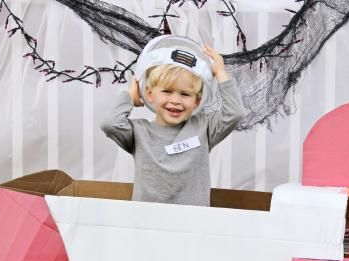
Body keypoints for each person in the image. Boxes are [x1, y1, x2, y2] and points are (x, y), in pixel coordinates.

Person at [100, 38, 246, 207]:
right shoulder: (139, 132)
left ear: (197, 101)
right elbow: (110, 124)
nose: (175, 100)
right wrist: (130, 97)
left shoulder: (204, 127)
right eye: (167, 91)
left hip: (191, 225)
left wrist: (220, 72)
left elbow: (235, 113)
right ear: (149, 94)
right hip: (148, 224)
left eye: (185, 94)